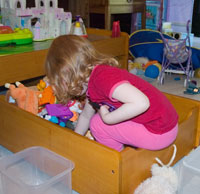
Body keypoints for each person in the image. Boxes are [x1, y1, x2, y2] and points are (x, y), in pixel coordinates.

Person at [45, 34, 178, 152]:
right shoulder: (93, 82)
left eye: (61, 82)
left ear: (68, 73)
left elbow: (142, 103)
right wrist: (73, 142)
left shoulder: (102, 79)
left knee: (98, 124)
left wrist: (109, 118)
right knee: (96, 119)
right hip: (163, 126)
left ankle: (115, 163)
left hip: (160, 132)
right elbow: (85, 115)